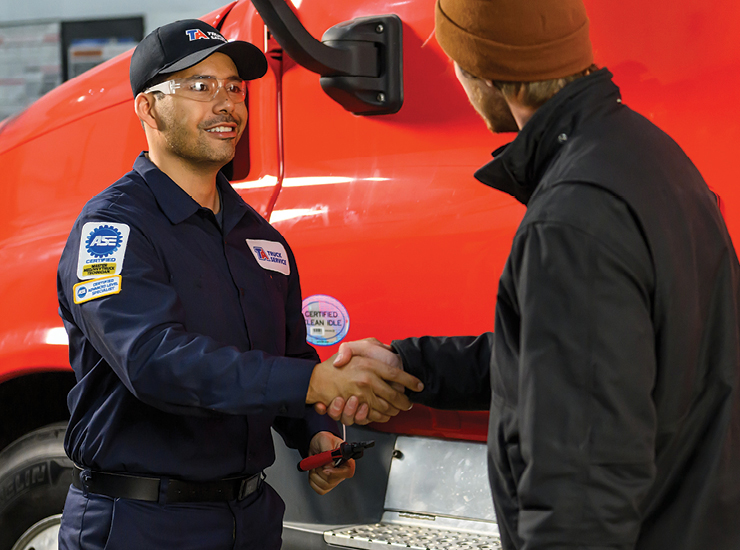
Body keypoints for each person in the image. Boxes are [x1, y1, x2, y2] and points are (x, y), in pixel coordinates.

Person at [321, 0, 740, 549]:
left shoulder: (572, 220)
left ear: (484, 72)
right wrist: (413, 365)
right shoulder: (649, 156)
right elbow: (583, 356)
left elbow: (580, 490)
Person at [56, 19, 422, 550]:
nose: (226, 104)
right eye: (201, 86)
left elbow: (288, 357)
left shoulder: (262, 239)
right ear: (148, 109)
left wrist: (314, 431)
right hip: (141, 523)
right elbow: (154, 362)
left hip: (250, 518)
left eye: (234, 88)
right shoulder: (111, 230)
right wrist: (312, 384)